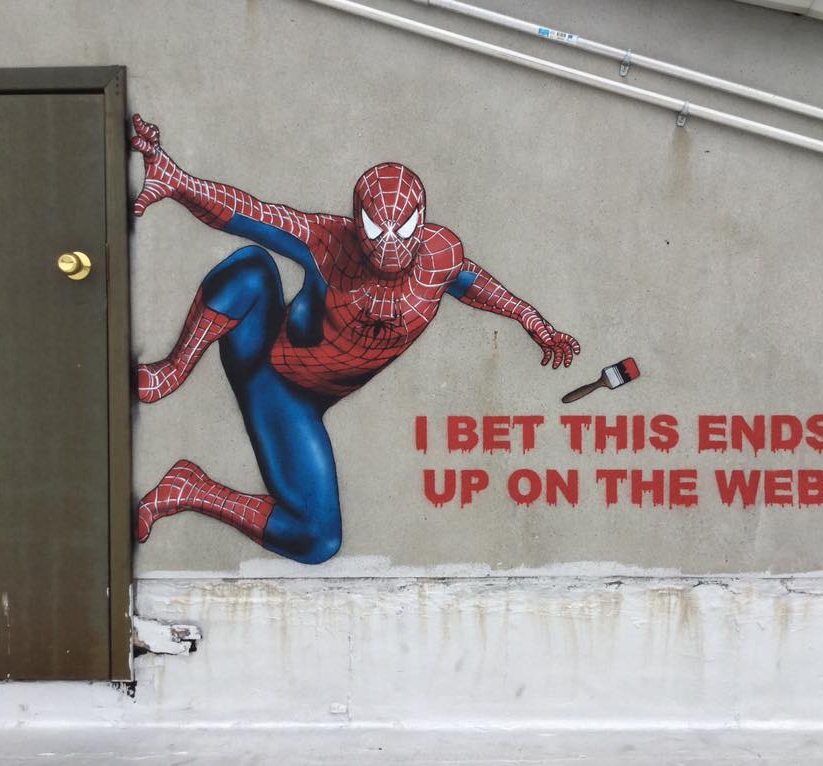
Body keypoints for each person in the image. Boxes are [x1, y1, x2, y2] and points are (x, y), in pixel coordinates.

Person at [131, 114, 580, 564]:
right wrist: (178, 181)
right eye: (376, 229)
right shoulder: (329, 242)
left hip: (298, 405)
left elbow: (472, 283)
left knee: (318, 538)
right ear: (357, 221)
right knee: (252, 266)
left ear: (421, 220)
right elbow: (251, 215)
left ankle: (190, 489)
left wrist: (531, 319)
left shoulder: (440, 256)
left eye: (403, 228)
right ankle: (173, 370)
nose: (389, 244)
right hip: (263, 354)